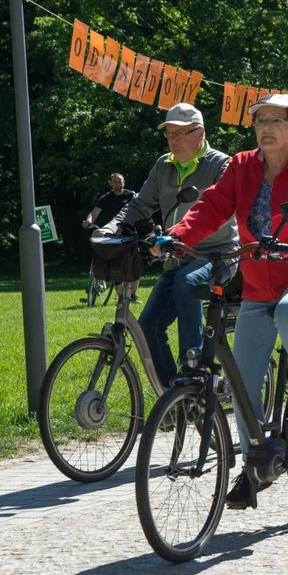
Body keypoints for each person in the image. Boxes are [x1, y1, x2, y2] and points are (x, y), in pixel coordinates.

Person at [164, 93, 288, 510]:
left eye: (277, 121)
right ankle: (256, 466)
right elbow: (212, 206)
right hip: (259, 289)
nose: (266, 128)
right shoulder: (241, 166)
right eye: (260, 120)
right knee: (243, 385)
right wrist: (177, 237)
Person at [100, 102, 238, 387]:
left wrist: (177, 236)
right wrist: (110, 228)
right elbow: (139, 205)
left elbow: (219, 213)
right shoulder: (164, 165)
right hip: (177, 257)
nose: (174, 140)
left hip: (216, 255)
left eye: (181, 133)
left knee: (187, 283)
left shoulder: (221, 165)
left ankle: (194, 363)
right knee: (149, 327)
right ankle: (173, 396)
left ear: (200, 132)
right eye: (169, 134)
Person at [84, 173, 140, 300]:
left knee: (135, 260)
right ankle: (121, 295)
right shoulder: (106, 198)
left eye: (119, 182)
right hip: (112, 234)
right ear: (110, 183)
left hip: (129, 231)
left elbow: (140, 209)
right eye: (114, 182)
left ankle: (133, 295)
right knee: (113, 263)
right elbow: (94, 213)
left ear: (124, 182)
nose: (117, 184)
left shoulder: (131, 195)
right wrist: (88, 221)